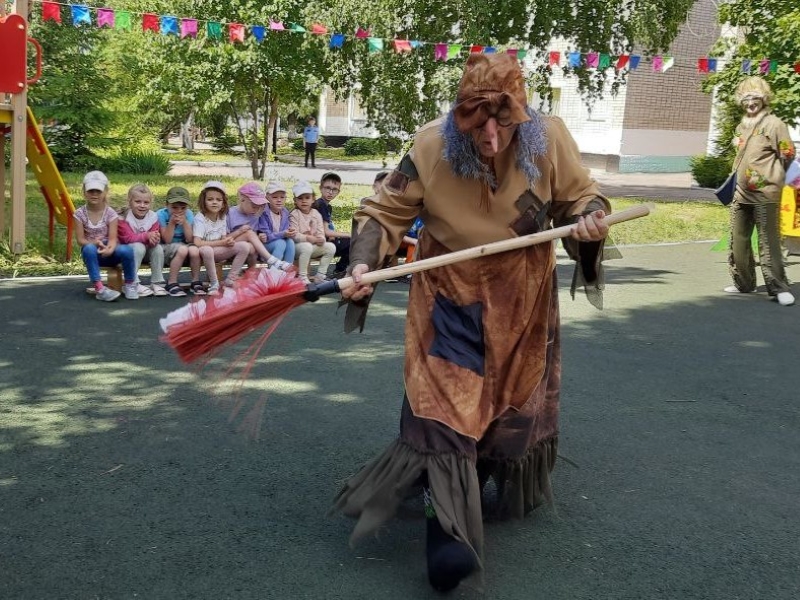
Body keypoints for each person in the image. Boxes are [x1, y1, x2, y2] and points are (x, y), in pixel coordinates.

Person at [331, 53, 611, 592]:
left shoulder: (548, 137)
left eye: (502, 121)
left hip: (521, 298)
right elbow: (384, 210)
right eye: (475, 120)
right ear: (458, 114)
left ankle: (471, 477)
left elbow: (581, 196)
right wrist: (365, 259)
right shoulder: (431, 144)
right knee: (445, 407)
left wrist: (587, 220)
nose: (489, 135)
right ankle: (448, 529)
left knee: (504, 405)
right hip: (449, 295)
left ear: (520, 115)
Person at [724, 76, 796, 306]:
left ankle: (779, 288)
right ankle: (743, 283)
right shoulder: (741, 127)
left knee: (768, 242)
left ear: (764, 99)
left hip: (765, 194)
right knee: (738, 241)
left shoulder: (775, 124)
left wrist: (773, 177)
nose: (750, 103)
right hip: (740, 193)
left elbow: (788, 153)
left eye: (755, 98)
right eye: (746, 99)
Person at [74, 170, 137, 302]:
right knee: (89, 249)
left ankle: (130, 284)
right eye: (91, 191)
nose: (94, 194)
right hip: (92, 252)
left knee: (127, 250)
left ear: (105, 192)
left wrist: (109, 248)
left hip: (109, 250)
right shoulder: (79, 214)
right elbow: (80, 240)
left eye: (98, 191)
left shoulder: (111, 213)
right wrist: (93, 243)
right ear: (84, 192)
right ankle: (99, 289)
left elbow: (113, 239)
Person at [192, 181, 251, 294]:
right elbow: (197, 243)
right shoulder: (200, 218)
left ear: (223, 203)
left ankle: (230, 279)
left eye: (218, 200)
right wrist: (222, 242)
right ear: (203, 201)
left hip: (218, 250)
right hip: (203, 252)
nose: (215, 203)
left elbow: (223, 237)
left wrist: (228, 241)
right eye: (210, 199)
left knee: (244, 246)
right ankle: (214, 284)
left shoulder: (222, 216)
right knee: (207, 249)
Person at [226, 182, 293, 274]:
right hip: (231, 247)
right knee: (249, 236)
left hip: (251, 249)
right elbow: (225, 239)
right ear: (242, 199)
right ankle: (270, 263)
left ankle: (252, 274)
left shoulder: (256, 214)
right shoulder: (230, 214)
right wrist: (240, 232)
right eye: (254, 206)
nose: (257, 209)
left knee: (251, 246)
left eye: (260, 207)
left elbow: (257, 234)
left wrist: (260, 236)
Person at [117, 183, 164, 297]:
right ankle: (131, 282)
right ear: (130, 202)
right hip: (124, 253)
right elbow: (127, 238)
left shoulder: (153, 217)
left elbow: (155, 235)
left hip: (143, 252)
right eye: (138, 202)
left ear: (150, 203)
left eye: (146, 202)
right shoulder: (123, 218)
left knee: (157, 248)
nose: (142, 205)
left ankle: (156, 282)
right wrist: (147, 236)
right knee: (138, 246)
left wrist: (154, 239)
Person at [157, 186, 203, 297]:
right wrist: (172, 223)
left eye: (183, 208)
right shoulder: (160, 215)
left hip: (184, 245)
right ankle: (172, 282)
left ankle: (195, 281)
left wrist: (185, 223)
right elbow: (167, 240)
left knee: (194, 250)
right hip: (165, 248)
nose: (179, 211)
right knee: (182, 249)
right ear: (166, 205)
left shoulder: (189, 214)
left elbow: (189, 239)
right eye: (174, 207)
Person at [290, 181, 336, 284]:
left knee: (330, 247)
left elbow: (320, 232)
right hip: (297, 248)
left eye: (307, 198)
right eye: (300, 198)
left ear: (313, 199)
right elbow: (294, 235)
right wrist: (308, 238)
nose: (304, 201)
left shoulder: (316, 214)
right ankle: (303, 276)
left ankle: (320, 276)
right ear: (295, 201)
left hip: (311, 247)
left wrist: (321, 239)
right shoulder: (294, 214)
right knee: (306, 246)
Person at [313, 172, 350, 277]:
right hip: (317, 242)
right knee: (352, 241)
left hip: (324, 239)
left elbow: (327, 227)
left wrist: (333, 235)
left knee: (348, 240)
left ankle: (341, 269)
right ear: (320, 188)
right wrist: (350, 234)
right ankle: (340, 269)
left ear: (338, 192)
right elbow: (326, 232)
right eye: (327, 188)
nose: (330, 192)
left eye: (334, 189)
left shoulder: (326, 206)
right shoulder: (320, 205)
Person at [260, 181, 297, 265]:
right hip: (264, 246)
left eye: (282, 197)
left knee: (290, 242)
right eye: (275, 197)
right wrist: (283, 234)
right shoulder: (263, 213)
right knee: (281, 243)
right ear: (267, 198)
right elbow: (267, 237)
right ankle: (273, 273)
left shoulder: (285, 212)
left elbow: (285, 231)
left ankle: (287, 272)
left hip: (279, 243)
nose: (279, 200)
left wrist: (290, 231)